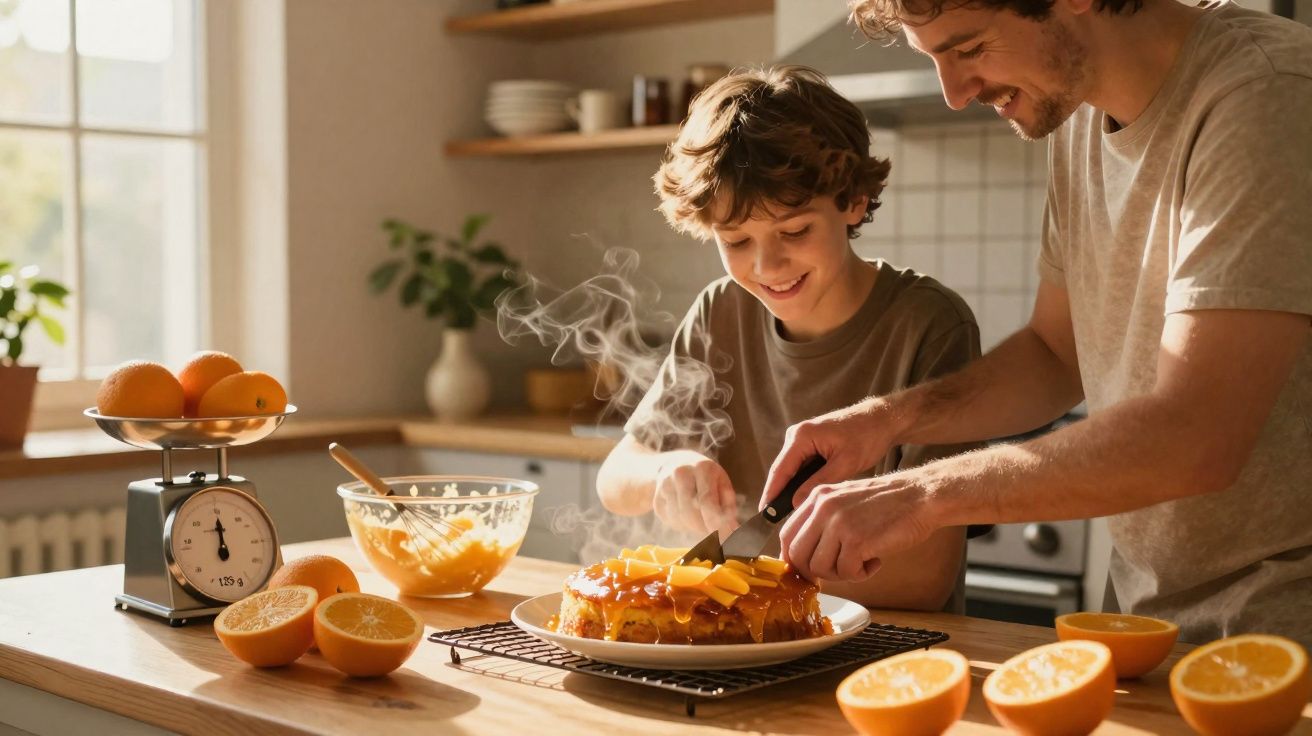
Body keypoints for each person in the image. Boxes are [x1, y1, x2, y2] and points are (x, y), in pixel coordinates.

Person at [763, 0, 1312, 646]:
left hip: (1285, 637)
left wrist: (921, 495)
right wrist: (886, 419)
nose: (954, 94)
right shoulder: (1076, 115)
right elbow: (1055, 354)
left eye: (967, 50)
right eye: (934, 60)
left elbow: (1199, 435)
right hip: (1147, 627)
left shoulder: (1265, 95)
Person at [595, 66, 983, 611]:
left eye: (795, 231)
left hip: (885, 651)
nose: (766, 265)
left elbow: (923, 580)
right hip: (738, 645)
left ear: (851, 201)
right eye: (735, 240)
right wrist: (662, 471)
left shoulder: (929, 324)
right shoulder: (720, 311)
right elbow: (615, 479)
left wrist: (734, 578)